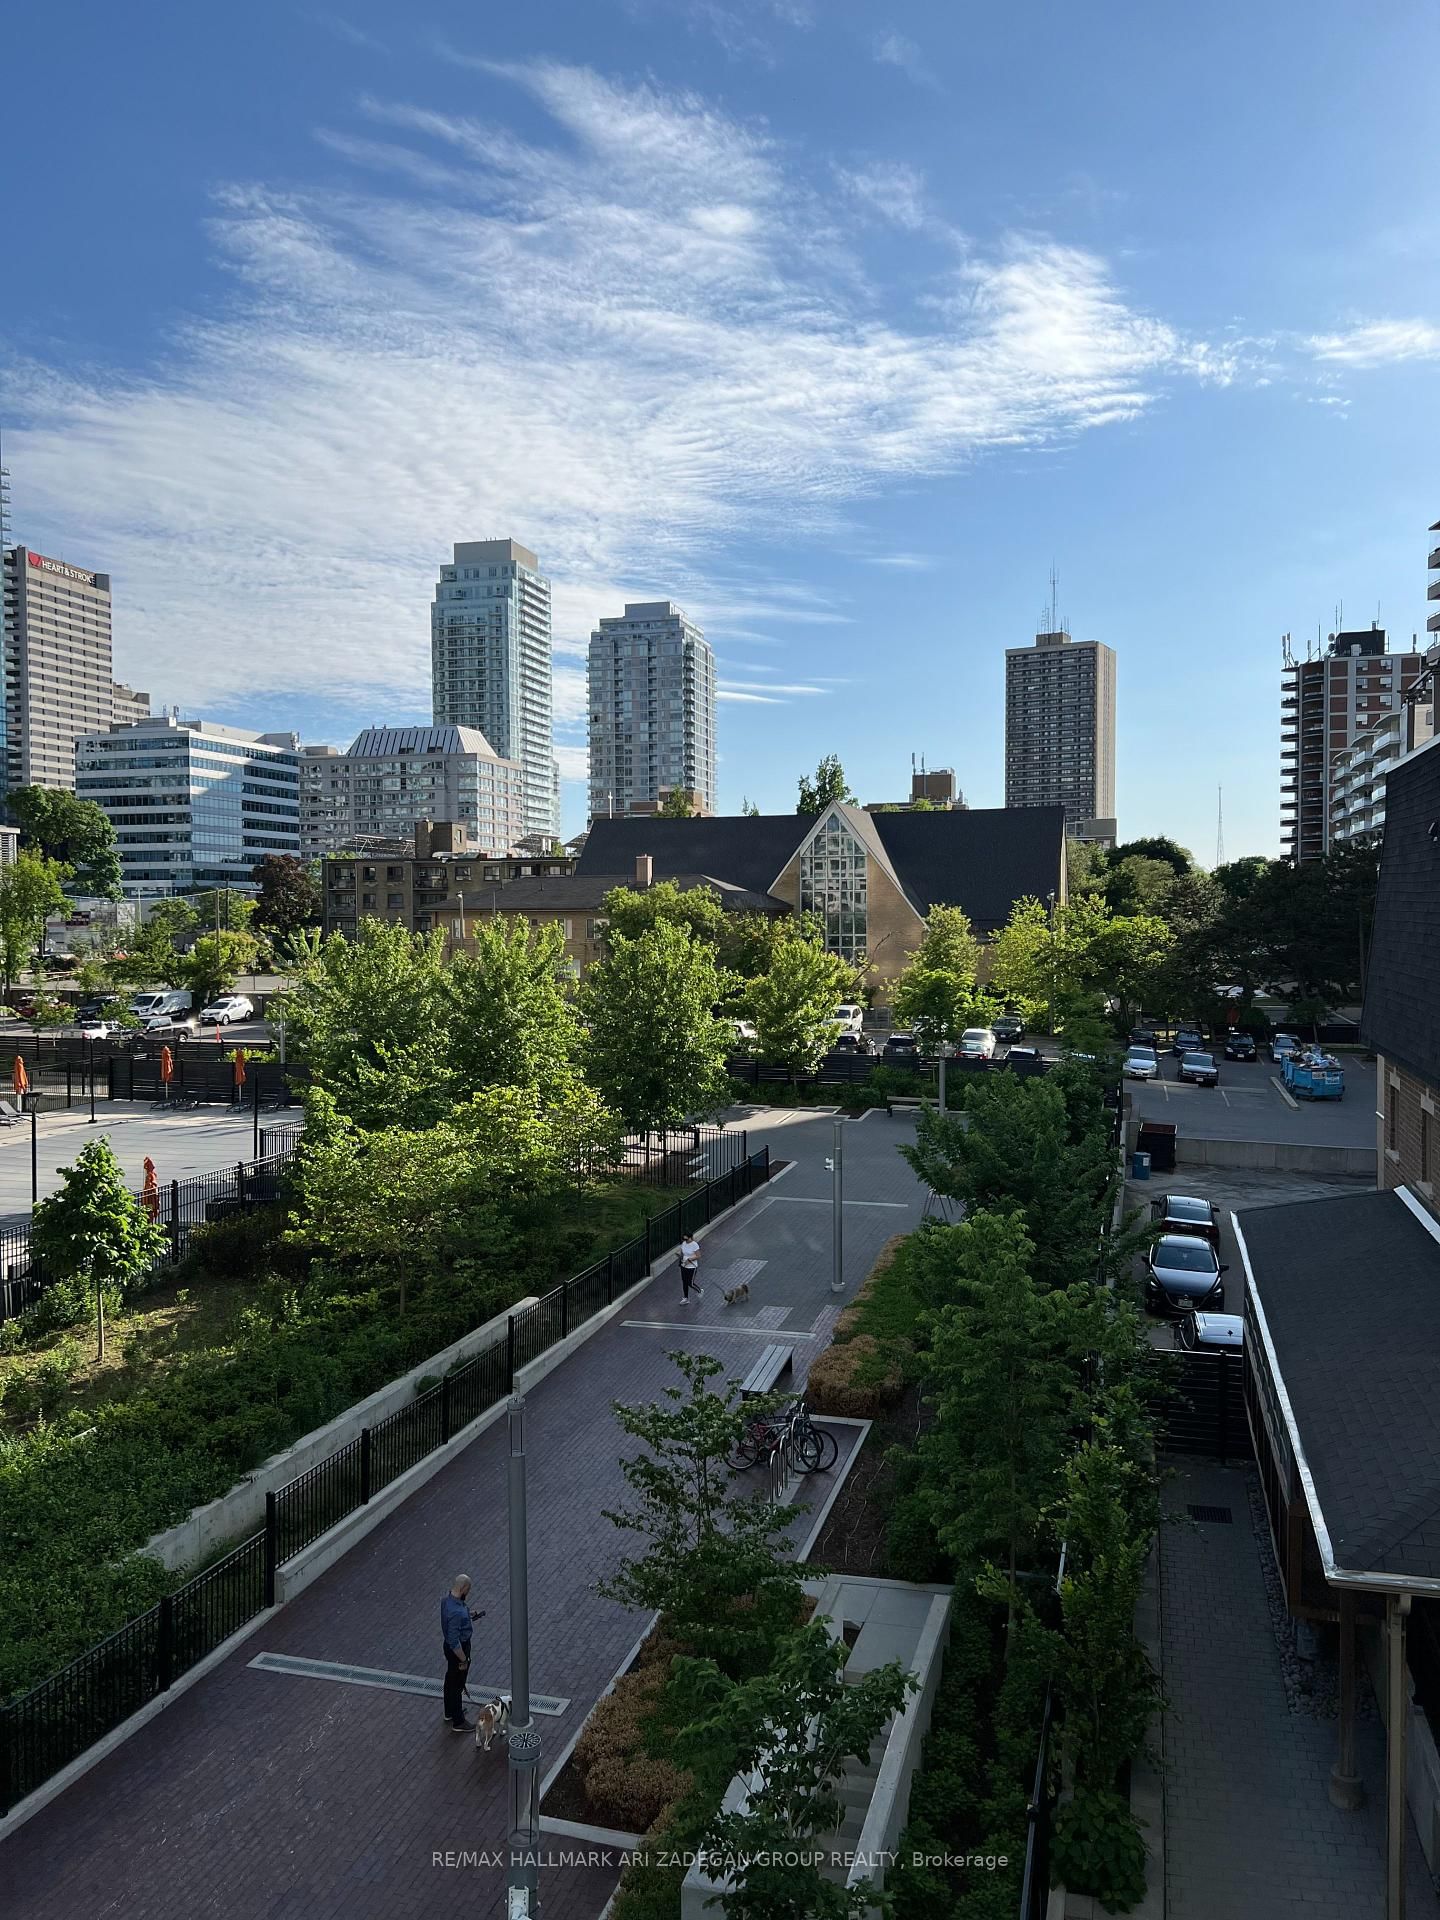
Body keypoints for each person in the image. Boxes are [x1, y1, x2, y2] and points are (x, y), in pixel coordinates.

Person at [441, 1573, 483, 1732]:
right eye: (468, 1590)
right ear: (464, 1588)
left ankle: (450, 1711)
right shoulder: (456, 1612)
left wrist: (469, 1614)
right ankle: (458, 1721)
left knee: (450, 1679)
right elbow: (454, 1641)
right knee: (457, 1684)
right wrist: (463, 1660)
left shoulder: (446, 1601)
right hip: (459, 1650)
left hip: (449, 1648)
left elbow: (454, 1623)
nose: (468, 1593)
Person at [679, 1232, 703, 1303]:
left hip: (692, 1267)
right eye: (685, 1239)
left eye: (687, 1239)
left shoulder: (694, 1245)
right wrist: (681, 1257)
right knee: (684, 1282)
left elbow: (698, 1256)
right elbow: (682, 1253)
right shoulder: (684, 1243)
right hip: (684, 1266)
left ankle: (699, 1290)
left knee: (690, 1282)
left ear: (690, 1238)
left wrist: (690, 1259)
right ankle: (686, 1298)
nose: (686, 1241)